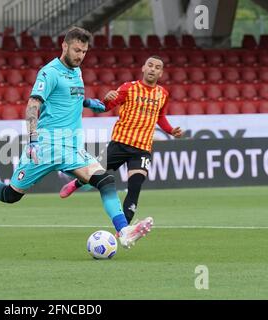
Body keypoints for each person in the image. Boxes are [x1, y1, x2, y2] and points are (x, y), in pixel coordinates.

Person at [0, 27, 152, 249]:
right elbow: (33, 105)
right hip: (45, 147)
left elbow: (70, 97)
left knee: (106, 181)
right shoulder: (49, 72)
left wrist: (90, 103)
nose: (80, 56)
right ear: (65, 46)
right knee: (12, 195)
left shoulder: (77, 72)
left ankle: (123, 231)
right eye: (77, 50)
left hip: (71, 147)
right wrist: (32, 140)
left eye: (84, 51)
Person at [60, 56, 183, 237]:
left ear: (161, 73)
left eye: (157, 67)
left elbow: (160, 117)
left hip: (142, 149)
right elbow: (107, 106)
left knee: (135, 186)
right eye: (150, 65)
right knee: (96, 173)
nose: (152, 69)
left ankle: (123, 231)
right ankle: (78, 182)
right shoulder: (129, 88)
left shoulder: (162, 94)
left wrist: (171, 130)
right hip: (120, 144)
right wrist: (108, 97)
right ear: (143, 68)